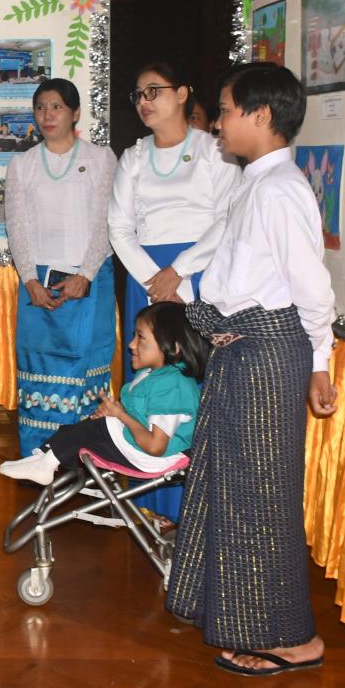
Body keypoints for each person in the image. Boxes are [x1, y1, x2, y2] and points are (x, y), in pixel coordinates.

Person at [167, 62, 338, 677]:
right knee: (236, 490)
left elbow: (311, 288)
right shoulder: (256, 183)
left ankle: (292, 639)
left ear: (261, 116)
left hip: (267, 356)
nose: (217, 124)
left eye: (226, 111)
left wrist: (321, 361)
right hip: (245, 353)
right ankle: (248, 622)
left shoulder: (280, 189)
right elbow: (236, 275)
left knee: (263, 498)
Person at [108, 63, 238, 518]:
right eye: (138, 95)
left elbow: (226, 218)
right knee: (149, 381)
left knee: (197, 377)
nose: (144, 102)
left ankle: (197, 503)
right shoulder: (134, 156)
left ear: (183, 93)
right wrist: (154, 280)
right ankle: (148, 501)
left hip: (199, 275)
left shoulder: (214, 150)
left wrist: (179, 274)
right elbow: (119, 227)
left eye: (154, 91)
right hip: (145, 277)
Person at [3, 78, 118, 457]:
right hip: (39, 288)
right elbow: (17, 227)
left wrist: (85, 275)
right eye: (40, 107)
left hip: (89, 284)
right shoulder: (22, 165)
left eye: (56, 107)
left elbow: (106, 222)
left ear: (75, 113)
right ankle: (39, 460)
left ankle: (87, 462)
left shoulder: (100, 159)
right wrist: (30, 281)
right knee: (40, 370)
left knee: (85, 372)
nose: (47, 115)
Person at [0, 301, 204, 484]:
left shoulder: (173, 386)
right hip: (141, 449)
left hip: (152, 459)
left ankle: (47, 462)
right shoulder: (155, 376)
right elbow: (141, 417)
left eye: (140, 337)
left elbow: (155, 446)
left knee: (99, 427)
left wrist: (120, 415)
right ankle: (43, 458)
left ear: (174, 347)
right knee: (89, 426)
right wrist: (116, 411)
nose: (131, 344)